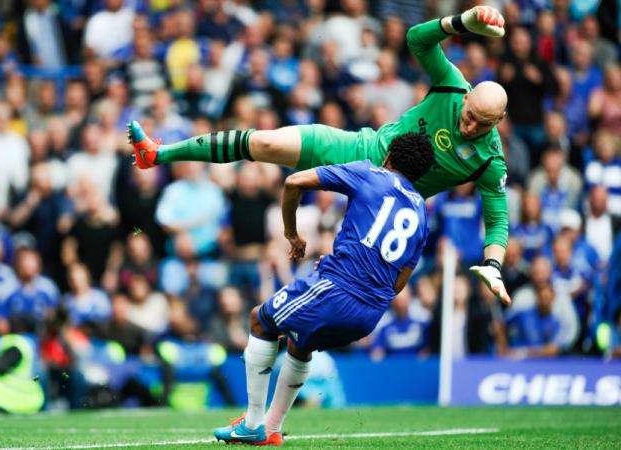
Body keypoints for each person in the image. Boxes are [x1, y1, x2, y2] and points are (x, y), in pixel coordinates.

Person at [128, 5, 512, 304]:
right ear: (467, 98)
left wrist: (494, 265)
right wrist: (461, 21)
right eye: (468, 116)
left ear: (499, 121)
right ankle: (158, 154)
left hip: (388, 205)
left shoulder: (490, 161)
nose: (468, 127)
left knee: (348, 291)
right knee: (266, 142)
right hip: (361, 150)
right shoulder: (452, 86)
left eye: (481, 124)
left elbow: (497, 219)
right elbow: (416, 39)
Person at [214, 132, 438, 445]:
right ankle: (273, 428)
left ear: (388, 156)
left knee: (259, 321)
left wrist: (292, 235)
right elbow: (401, 279)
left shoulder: (369, 173)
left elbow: (294, 182)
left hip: (337, 290)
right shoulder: (420, 212)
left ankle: (253, 423)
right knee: (300, 342)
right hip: (371, 313)